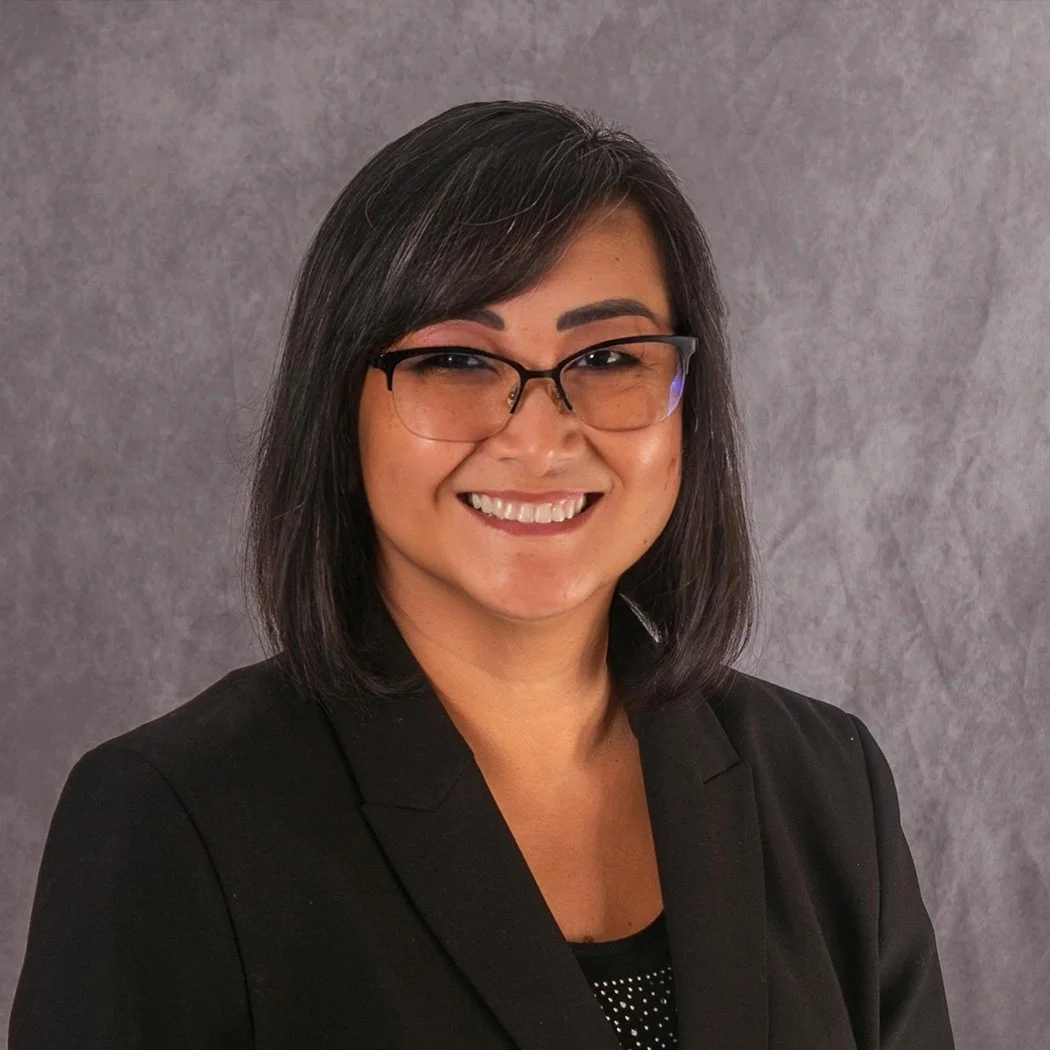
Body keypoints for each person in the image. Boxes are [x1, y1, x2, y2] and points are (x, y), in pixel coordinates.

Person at [9, 100, 955, 1049]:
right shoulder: (170, 821)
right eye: (458, 359)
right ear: (340, 408)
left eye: (612, 356)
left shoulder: (827, 786)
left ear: (685, 411)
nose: (539, 438)